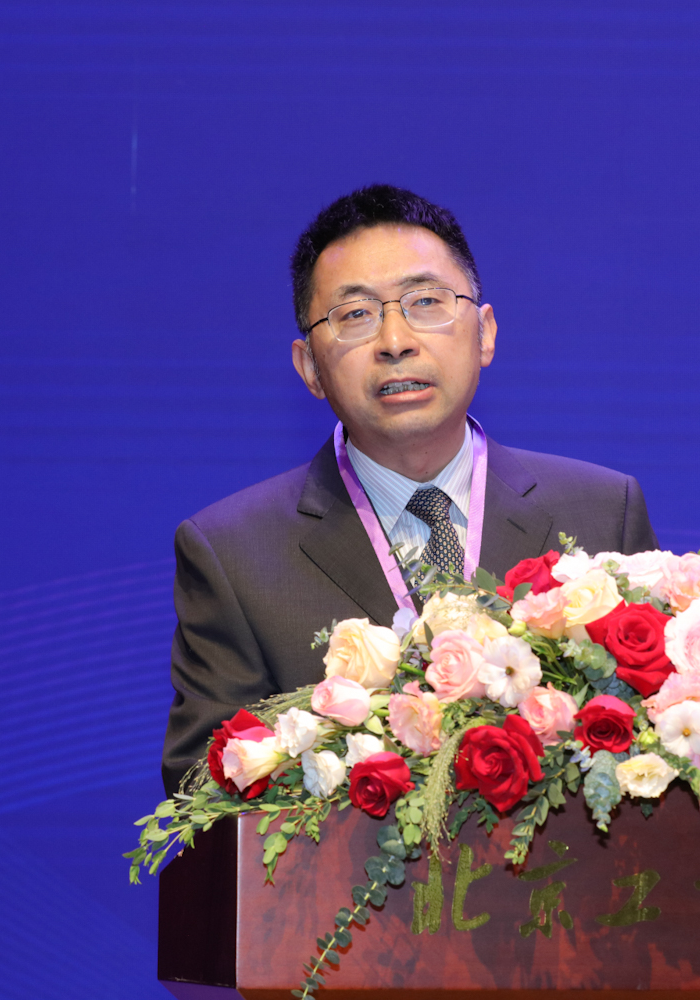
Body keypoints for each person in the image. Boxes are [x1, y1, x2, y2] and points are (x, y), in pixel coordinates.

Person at [161, 185, 658, 793]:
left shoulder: (605, 510)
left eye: (425, 302)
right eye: (355, 315)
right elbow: (206, 787)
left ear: (485, 333)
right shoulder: (233, 554)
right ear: (309, 367)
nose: (395, 340)